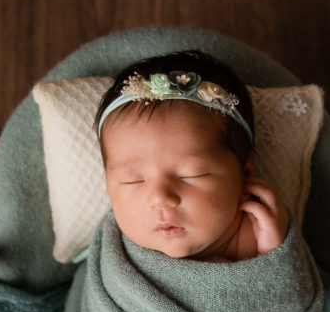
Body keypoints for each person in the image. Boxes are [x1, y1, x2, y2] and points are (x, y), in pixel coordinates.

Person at [94, 50, 289, 263]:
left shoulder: (264, 236)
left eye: (192, 175)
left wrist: (272, 257)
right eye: (133, 180)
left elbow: (297, 294)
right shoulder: (117, 251)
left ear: (244, 172)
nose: (160, 197)